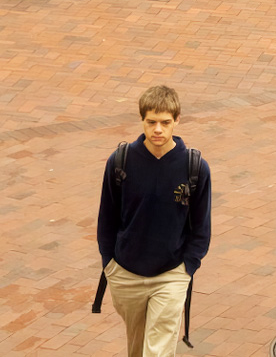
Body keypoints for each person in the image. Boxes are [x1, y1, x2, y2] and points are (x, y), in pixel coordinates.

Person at [96, 85, 212, 357]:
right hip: (126, 273)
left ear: (177, 120)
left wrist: (187, 267)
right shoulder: (120, 162)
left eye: (165, 123)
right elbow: (107, 219)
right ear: (142, 120)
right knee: (137, 349)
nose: (158, 129)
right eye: (151, 122)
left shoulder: (194, 167)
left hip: (171, 274)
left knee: (157, 351)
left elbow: (201, 227)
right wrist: (110, 265)